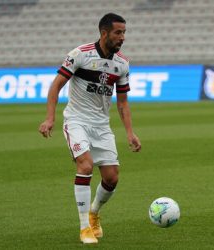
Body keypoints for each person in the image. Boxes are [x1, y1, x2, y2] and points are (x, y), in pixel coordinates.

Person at [38, 13, 141, 244]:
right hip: (76, 121)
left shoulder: (122, 64)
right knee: (85, 165)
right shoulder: (80, 55)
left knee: (112, 178)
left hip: (101, 125)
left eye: (124, 32)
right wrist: (49, 118)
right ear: (104, 33)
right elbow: (56, 85)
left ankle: (94, 212)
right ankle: (84, 227)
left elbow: (122, 102)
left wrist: (130, 133)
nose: (122, 37)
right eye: (118, 32)